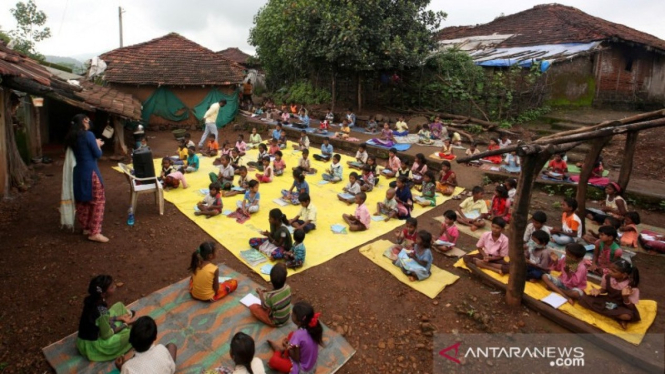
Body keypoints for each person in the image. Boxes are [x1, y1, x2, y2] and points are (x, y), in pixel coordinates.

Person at [64, 114, 109, 243]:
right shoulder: (88, 135)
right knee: (98, 201)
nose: (89, 122)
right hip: (91, 172)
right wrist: (98, 144)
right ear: (84, 120)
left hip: (78, 173)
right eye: (88, 120)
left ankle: (86, 228)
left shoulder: (72, 137)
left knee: (83, 201)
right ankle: (95, 232)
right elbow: (97, 154)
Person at [76, 275, 134, 361]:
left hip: (85, 337)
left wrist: (118, 318)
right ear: (103, 294)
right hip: (92, 345)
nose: (114, 287)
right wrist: (125, 324)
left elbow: (99, 320)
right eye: (111, 287)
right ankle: (125, 329)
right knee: (132, 333)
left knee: (119, 305)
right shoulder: (100, 310)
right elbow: (106, 335)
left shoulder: (92, 300)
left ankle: (121, 323)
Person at [579, 259, 641, 329]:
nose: (609, 271)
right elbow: (604, 289)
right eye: (610, 269)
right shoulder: (607, 277)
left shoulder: (631, 286)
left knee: (627, 316)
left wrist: (625, 297)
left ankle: (617, 316)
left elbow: (631, 307)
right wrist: (598, 291)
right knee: (584, 299)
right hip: (607, 300)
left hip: (621, 305)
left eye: (613, 271)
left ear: (624, 275)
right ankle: (614, 316)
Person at [267, 301, 322, 373]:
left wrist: (287, 347)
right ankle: (284, 353)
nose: (291, 314)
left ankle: (278, 351)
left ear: (299, 321)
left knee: (273, 361)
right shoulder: (312, 327)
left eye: (293, 314)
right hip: (310, 364)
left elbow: (296, 358)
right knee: (291, 335)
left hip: (302, 369)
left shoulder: (298, 335)